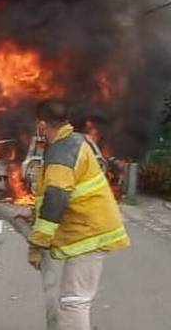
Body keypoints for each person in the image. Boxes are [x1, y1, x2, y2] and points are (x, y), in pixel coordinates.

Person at [28, 99, 130, 330]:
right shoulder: (75, 142)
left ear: (42, 125)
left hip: (89, 232)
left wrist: (37, 244)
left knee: (74, 302)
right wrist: (34, 213)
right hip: (90, 228)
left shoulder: (62, 152)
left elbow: (56, 199)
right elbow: (56, 194)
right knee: (75, 300)